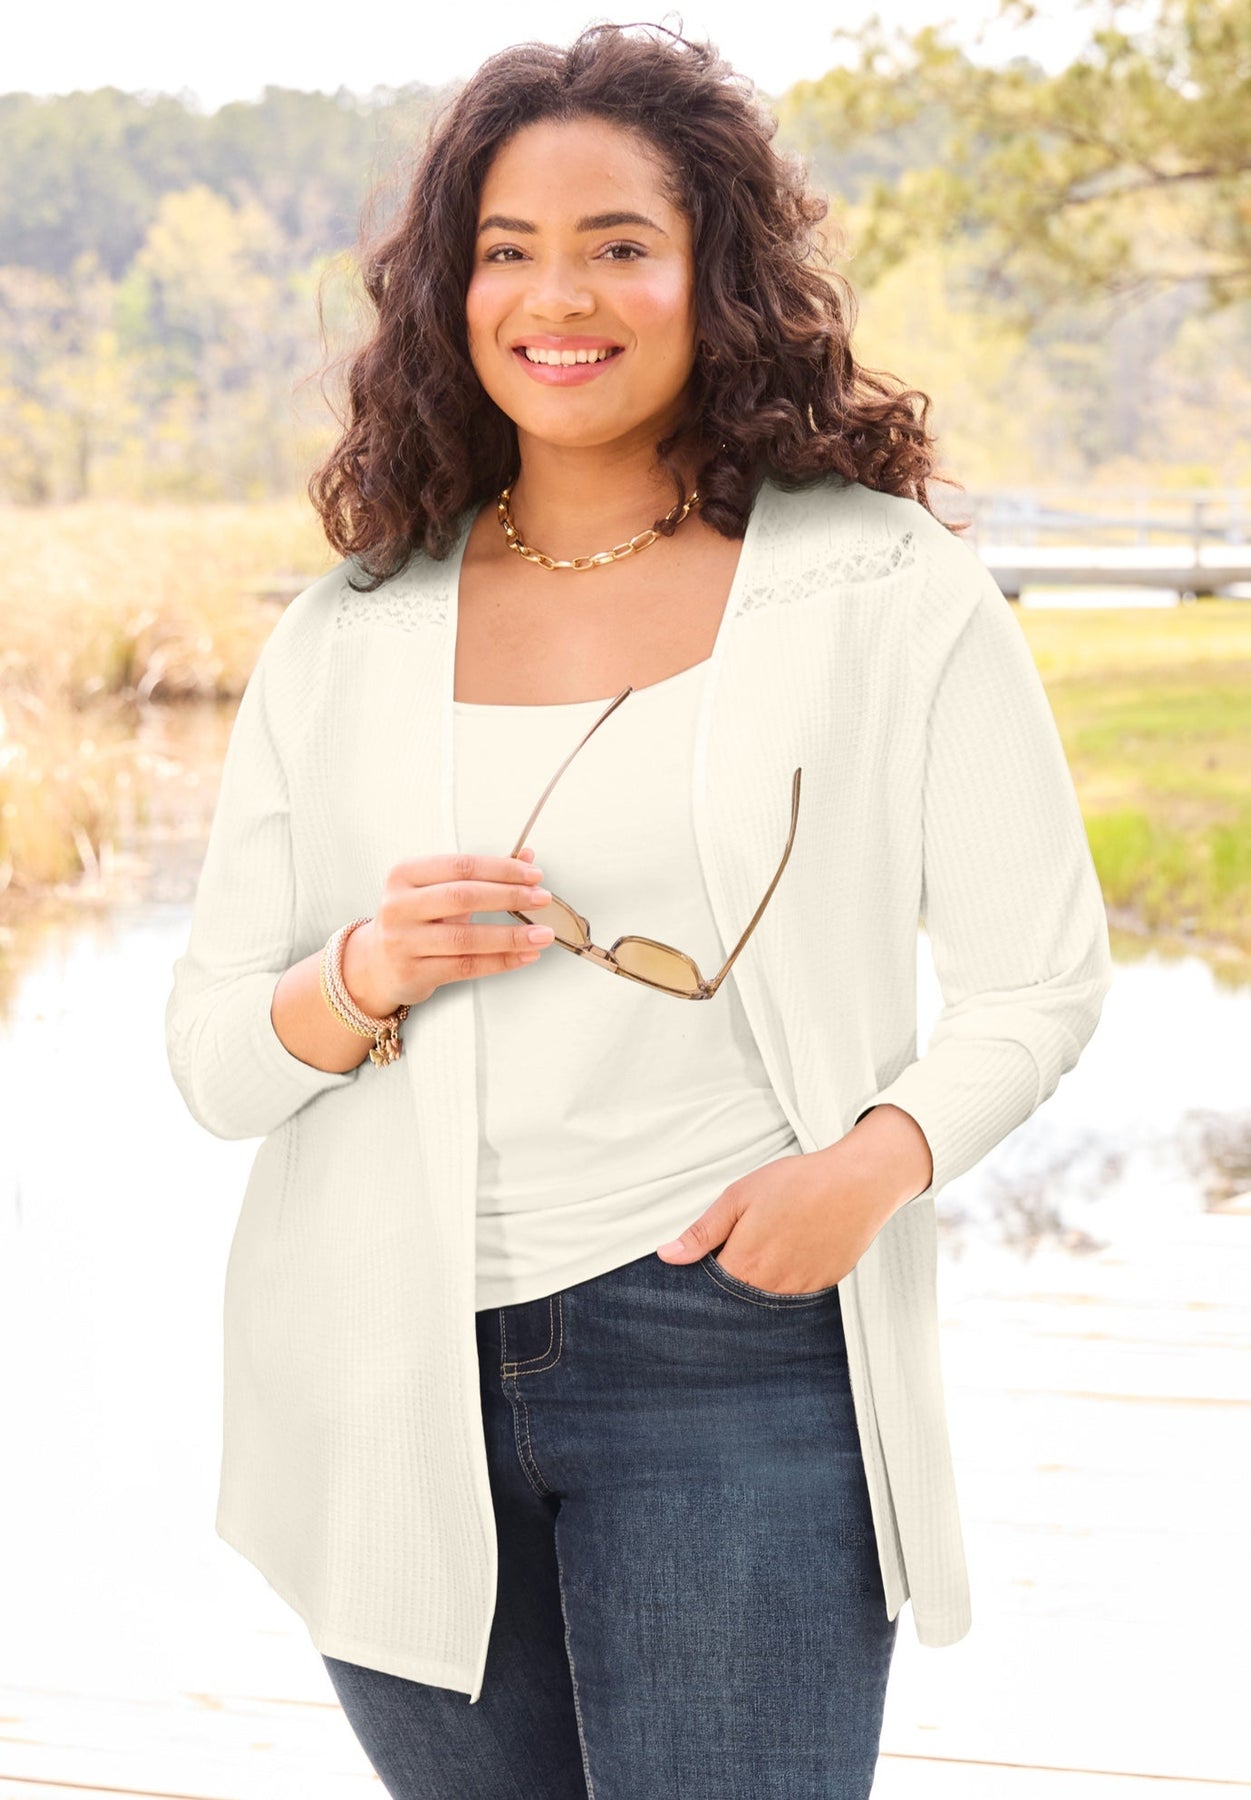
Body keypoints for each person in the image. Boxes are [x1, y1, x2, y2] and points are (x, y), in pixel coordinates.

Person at [164, 21, 1113, 1799]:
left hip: (730, 1352)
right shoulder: (349, 629)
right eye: (507, 250)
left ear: (717, 275)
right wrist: (360, 973)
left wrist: (870, 1166)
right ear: (451, 291)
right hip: (378, 1369)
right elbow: (215, 1060)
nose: (558, 296)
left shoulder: (879, 584)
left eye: (619, 244)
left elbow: (1040, 981)